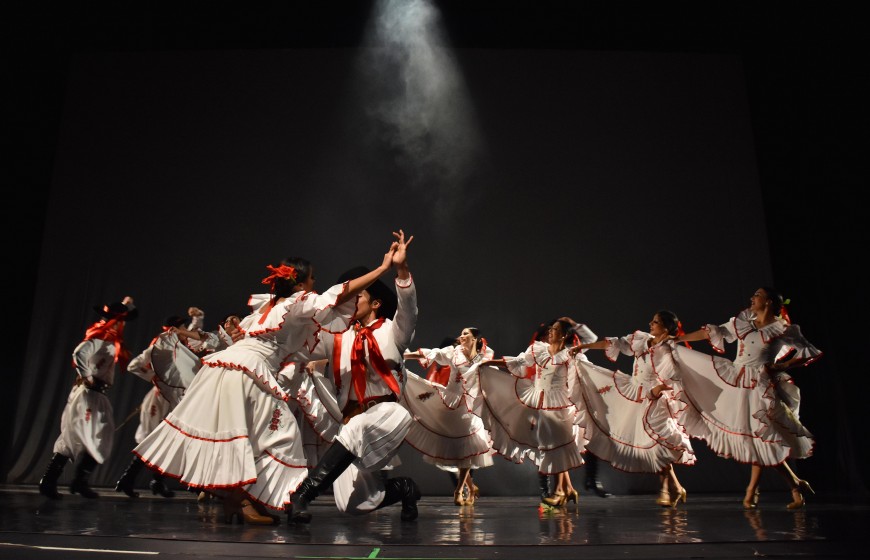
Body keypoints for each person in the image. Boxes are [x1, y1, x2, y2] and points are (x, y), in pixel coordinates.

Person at [132, 238, 400, 524]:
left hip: (226, 369)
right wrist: (382, 268)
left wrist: (231, 332)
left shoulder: (263, 309)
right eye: (312, 278)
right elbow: (340, 293)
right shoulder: (299, 302)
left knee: (246, 436)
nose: (315, 282)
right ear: (300, 283)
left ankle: (237, 501)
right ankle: (244, 499)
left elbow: (230, 339)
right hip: (249, 372)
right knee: (282, 436)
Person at [287, 230, 421, 523]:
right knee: (353, 504)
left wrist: (401, 268)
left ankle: (304, 494)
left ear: (375, 304)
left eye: (358, 295)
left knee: (358, 427)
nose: (351, 299)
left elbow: (408, 310)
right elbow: (304, 338)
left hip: (388, 414)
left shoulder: (392, 332)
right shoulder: (337, 338)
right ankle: (404, 488)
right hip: (350, 423)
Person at [672, 287, 822, 509]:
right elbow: (711, 333)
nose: (752, 299)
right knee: (756, 438)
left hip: (760, 386)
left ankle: (755, 491)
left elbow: (809, 351)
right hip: (737, 380)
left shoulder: (782, 329)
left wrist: (782, 365)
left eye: (757, 296)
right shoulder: (744, 322)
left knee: (759, 436)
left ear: (769, 302)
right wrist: (678, 339)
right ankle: (794, 485)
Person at [569, 310, 695, 507]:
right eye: (652, 320)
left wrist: (657, 389)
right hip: (635, 394)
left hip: (655, 399)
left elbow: (675, 378)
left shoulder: (668, 350)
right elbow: (614, 344)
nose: (650, 324)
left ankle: (669, 488)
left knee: (659, 440)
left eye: (656, 322)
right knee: (651, 441)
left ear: (666, 327)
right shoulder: (641, 340)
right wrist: (585, 346)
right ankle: (675, 487)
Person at [471, 318, 587, 507]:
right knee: (550, 444)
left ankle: (563, 491)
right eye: (550, 329)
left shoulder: (569, 355)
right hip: (541, 401)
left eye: (555, 329)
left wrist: (575, 325)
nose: (550, 331)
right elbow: (519, 362)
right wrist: (491, 362)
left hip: (560, 404)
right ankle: (566, 490)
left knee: (558, 445)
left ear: (564, 335)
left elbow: (588, 353)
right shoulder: (539, 350)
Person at [38, 296, 138, 499]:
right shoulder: (102, 335)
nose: (124, 323)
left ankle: (78, 482)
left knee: (99, 437)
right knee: (75, 437)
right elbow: (79, 353)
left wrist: (128, 304)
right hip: (88, 394)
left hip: (96, 395)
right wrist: (87, 377)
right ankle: (50, 482)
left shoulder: (110, 334)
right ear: (117, 320)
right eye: (123, 318)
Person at [115, 310, 213, 498]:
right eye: (182, 327)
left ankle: (157, 482)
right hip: (160, 397)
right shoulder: (160, 345)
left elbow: (196, 332)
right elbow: (134, 365)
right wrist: (159, 378)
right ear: (174, 329)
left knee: (172, 439)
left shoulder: (183, 343)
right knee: (153, 438)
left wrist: (198, 317)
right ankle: (128, 479)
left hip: (179, 399)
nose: (186, 329)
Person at [403, 327, 495, 506]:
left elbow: (488, 371)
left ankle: (460, 490)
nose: (461, 337)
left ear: (475, 338)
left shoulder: (483, 355)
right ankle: (467, 486)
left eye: (465, 334)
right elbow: (433, 355)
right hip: (451, 403)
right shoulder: (453, 354)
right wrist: (405, 356)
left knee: (469, 447)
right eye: (460, 334)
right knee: (457, 449)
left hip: (470, 405)